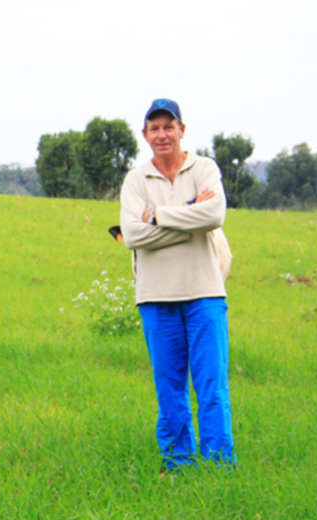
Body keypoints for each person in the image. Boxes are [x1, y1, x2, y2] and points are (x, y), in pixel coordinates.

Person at [120, 98, 235, 472]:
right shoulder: (136, 180)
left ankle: (219, 466)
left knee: (212, 387)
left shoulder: (204, 168)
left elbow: (215, 214)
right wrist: (190, 217)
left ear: (182, 130)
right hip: (156, 298)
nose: (162, 134)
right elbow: (134, 235)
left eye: (169, 126)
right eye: (154, 128)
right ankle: (178, 465)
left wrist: (159, 216)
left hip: (205, 294)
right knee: (170, 390)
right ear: (145, 135)